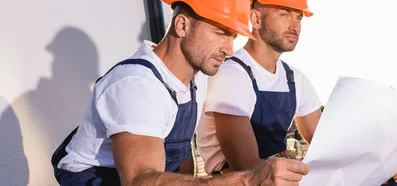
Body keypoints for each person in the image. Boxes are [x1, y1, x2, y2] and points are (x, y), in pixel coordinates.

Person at [50, 0, 309, 185]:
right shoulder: (137, 84)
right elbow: (141, 180)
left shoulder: (197, 79)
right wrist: (247, 180)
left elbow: (180, 162)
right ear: (182, 25)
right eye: (220, 33)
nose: (229, 50)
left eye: (233, 37)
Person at [195, 0, 397, 184]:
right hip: (243, 182)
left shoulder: (294, 79)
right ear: (256, 19)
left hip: (285, 179)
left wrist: (376, 165)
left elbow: (327, 142)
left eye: (299, 18)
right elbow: (251, 171)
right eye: (284, 14)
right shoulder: (232, 75)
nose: (294, 26)